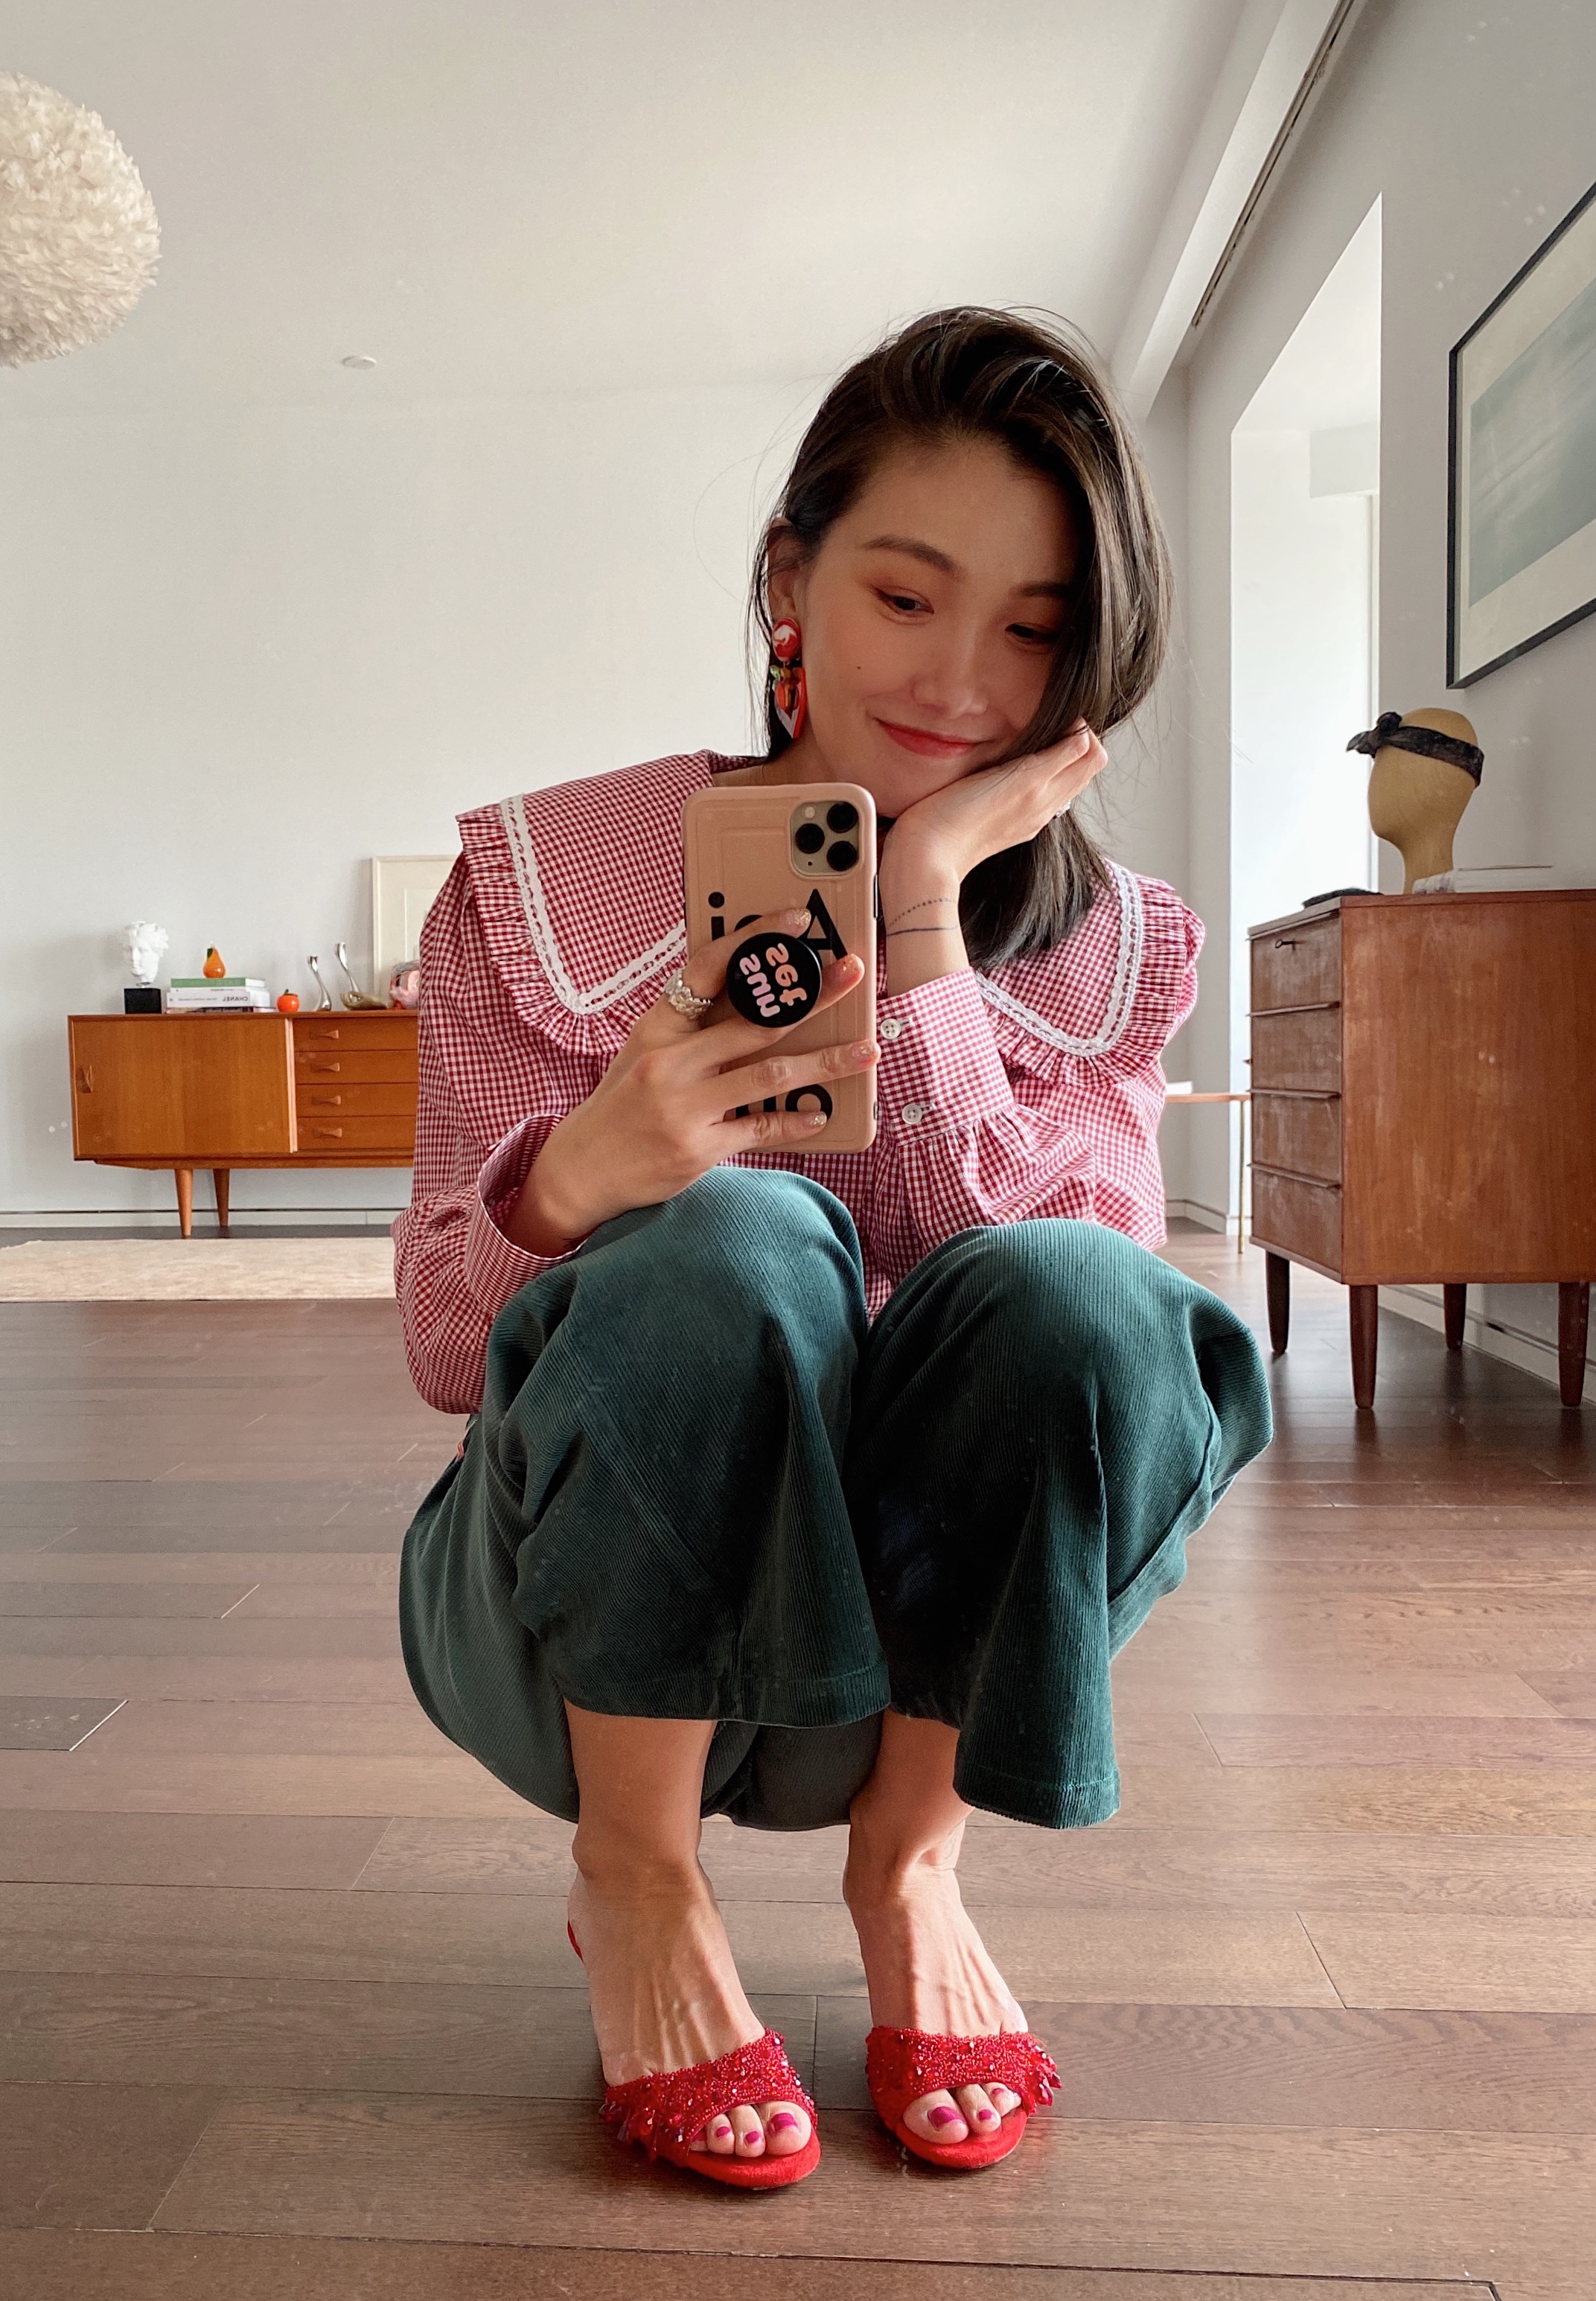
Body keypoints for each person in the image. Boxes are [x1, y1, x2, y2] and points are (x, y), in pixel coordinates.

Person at [392, 307, 1271, 2189]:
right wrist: (575, 1182)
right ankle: (638, 1876)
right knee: (726, 1235)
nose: (960, 680)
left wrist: (924, 920)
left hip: (924, 1653)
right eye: (905, 593)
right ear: (789, 579)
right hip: (580, 1630)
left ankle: (913, 1867)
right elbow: (447, 1354)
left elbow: (1079, 1346)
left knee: (1083, 1289)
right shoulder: (547, 887)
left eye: (1032, 627)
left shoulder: (1112, 950)